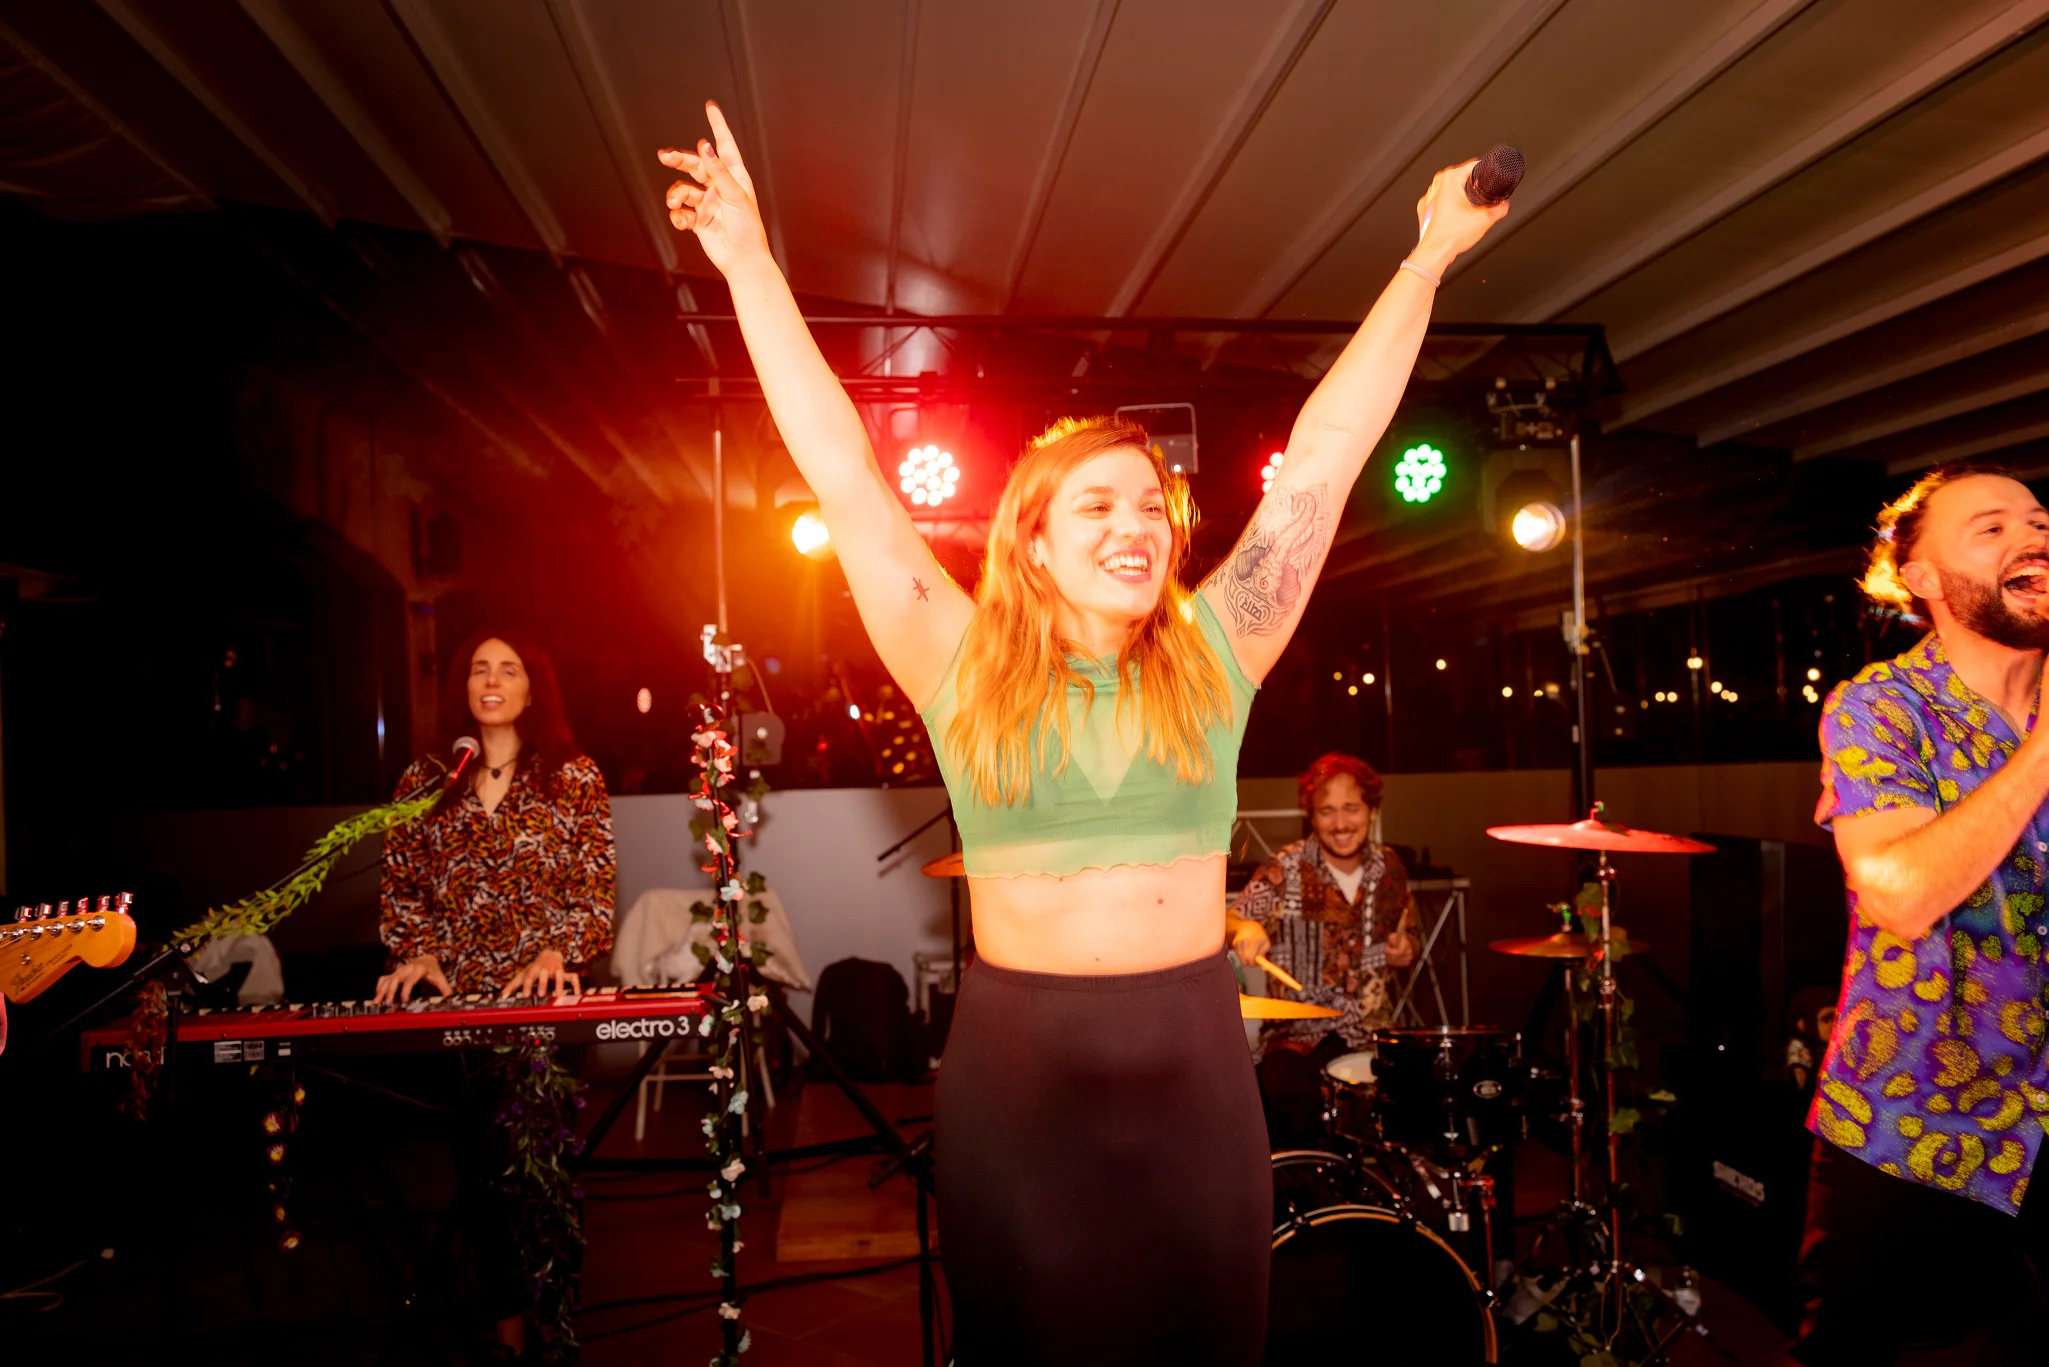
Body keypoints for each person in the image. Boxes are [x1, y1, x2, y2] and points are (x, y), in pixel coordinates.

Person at [658, 102, 1504, 1365]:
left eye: (1152, 506)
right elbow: (846, 474)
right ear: (1034, 543)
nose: (1136, 524)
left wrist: (1427, 258)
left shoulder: (1218, 652)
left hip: (1194, 1069)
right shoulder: (959, 663)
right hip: (1022, 1081)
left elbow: (1325, 458)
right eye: (1096, 504)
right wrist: (748, 263)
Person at [1795, 464, 2049, 1364]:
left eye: (2038, 520)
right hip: (1914, 1126)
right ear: (1923, 578)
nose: (2032, 535)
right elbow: (1898, 894)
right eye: (1991, 527)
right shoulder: (1880, 709)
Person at [373, 629, 618, 1358]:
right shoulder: (425, 781)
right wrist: (416, 950)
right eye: (479, 668)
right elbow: (402, 887)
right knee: (481, 1172)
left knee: (545, 1173)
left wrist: (556, 949)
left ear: (532, 690)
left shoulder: (573, 776)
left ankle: (557, 1320)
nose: (492, 680)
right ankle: (506, 1322)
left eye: (508, 669)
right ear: (463, 689)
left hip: (548, 1002)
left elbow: (595, 888)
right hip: (462, 1005)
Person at [1227, 752, 1419, 1148]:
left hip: (1370, 1033)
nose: (1341, 823)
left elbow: (1409, 936)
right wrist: (1244, 926)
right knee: (1286, 1097)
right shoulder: (1287, 867)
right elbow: (1229, 920)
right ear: (1311, 816)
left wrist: (1406, 949)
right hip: (1298, 1037)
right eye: (1327, 811)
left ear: (1371, 810)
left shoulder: (1390, 868)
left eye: (1352, 809)